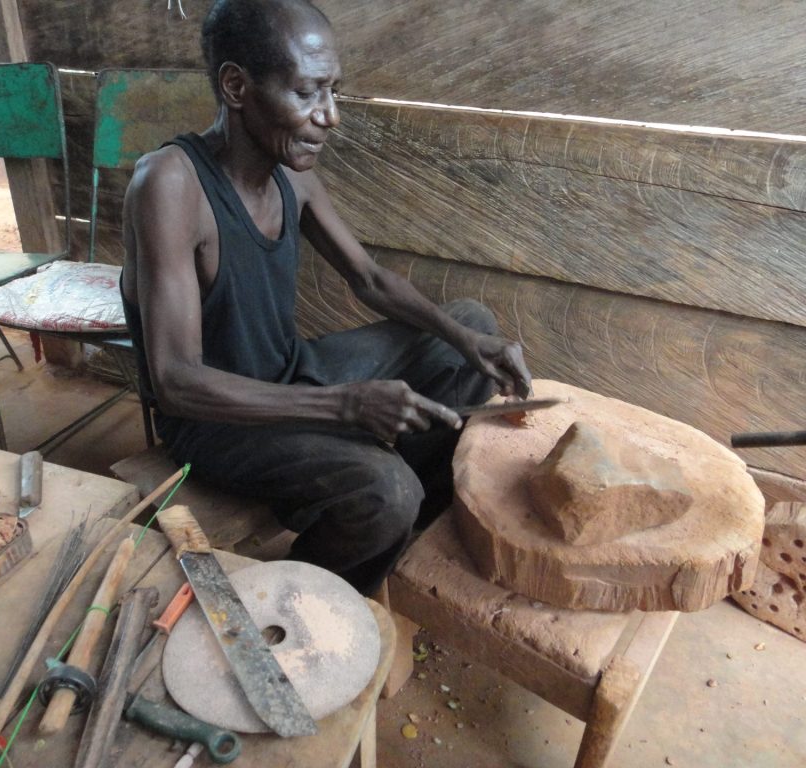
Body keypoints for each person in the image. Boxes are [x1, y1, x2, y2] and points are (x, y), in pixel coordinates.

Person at [120, 0, 532, 595]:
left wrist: (469, 340)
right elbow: (176, 381)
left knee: (465, 326)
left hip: (287, 375)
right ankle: (300, 597)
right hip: (214, 421)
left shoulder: (292, 171)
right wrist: (345, 407)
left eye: (334, 91)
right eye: (309, 93)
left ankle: (381, 519)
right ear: (237, 85)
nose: (330, 116)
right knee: (387, 492)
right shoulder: (169, 184)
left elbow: (368, 278)